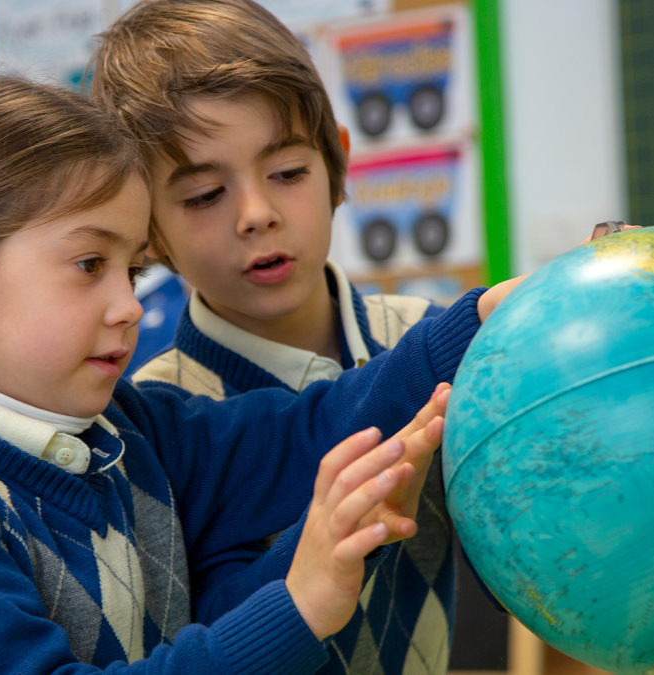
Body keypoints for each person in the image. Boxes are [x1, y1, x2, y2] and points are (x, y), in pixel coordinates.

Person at [0, 74, 501, 674]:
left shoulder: (126, 427)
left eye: (130, 268)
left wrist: (476, 324)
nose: (129, 306)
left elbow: (304, 428)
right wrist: (298, 603)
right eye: (90, 265)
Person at [90, 2, 467, 671]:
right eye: (205, 194)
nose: (257, 215)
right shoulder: (151, 427)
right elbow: (199, 637)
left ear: (338, 167)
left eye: (288, 173)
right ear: (147, 232)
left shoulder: (430, 338)